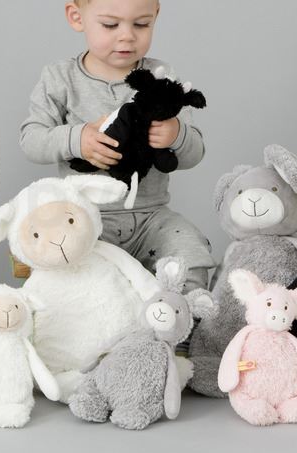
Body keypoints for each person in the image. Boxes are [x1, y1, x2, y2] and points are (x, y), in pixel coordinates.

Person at [19, 0, 214, 291]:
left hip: (152, 218)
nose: (127, 36)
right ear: (77, 17)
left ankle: (185, 312)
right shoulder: (60, 78)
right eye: (110, 25)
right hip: (85, 220)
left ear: (155, 15)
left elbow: (195, 153)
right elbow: (31, 140)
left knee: (188, 247)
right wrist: (76, 139)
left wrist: (177, 134)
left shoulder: (161, 77)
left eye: (141, 24)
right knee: (70, 269)